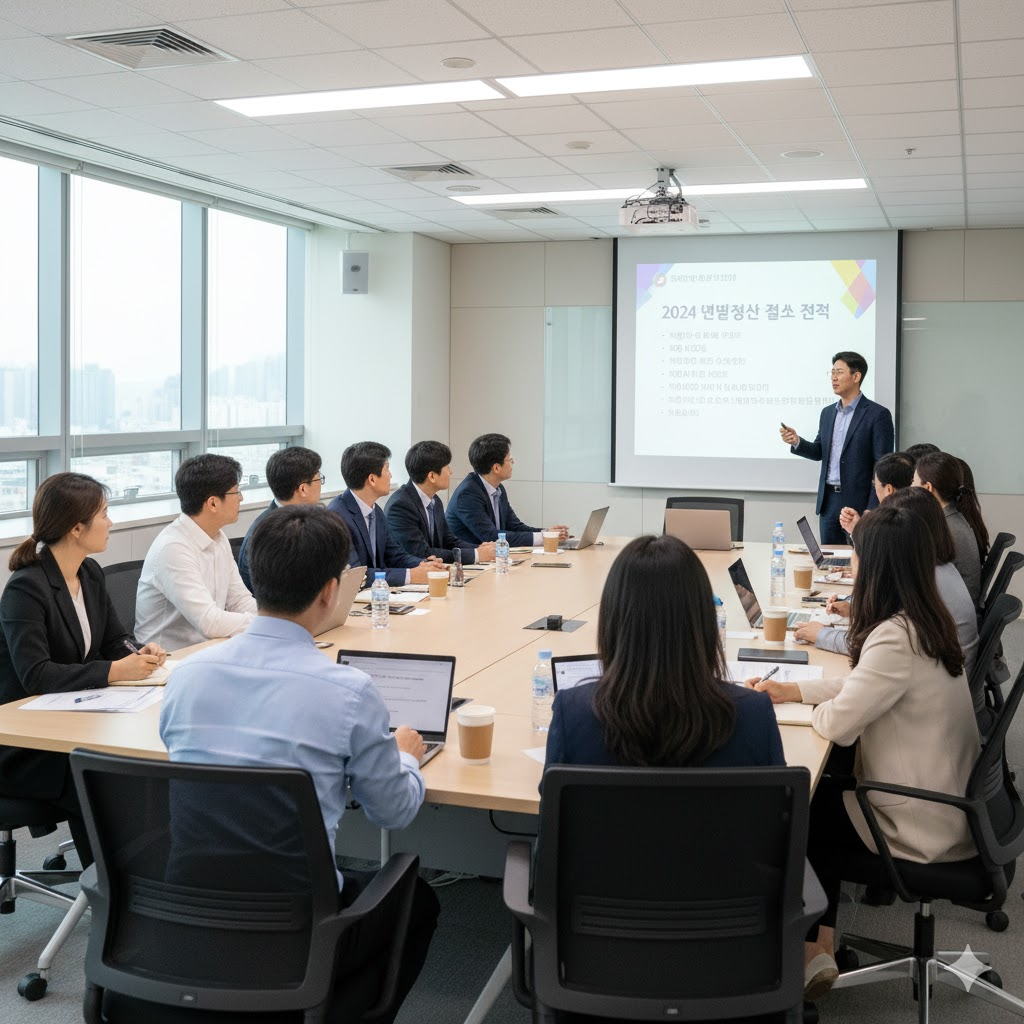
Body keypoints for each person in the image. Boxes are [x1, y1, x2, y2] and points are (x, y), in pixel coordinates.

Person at [160, 504, 438, 1023]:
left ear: (254, 578)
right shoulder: (349, 691)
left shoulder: (186, 678)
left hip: (187, 910)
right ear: (331, 591)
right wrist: (405, 758)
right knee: (416, 899)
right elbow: (393, 812)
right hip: (299, 928)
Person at [749, 505, 979, 1000]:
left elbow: (839, 724)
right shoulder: (921, 619)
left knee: (801, 808)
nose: (852, 568)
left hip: (922, 820)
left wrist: (796, 712)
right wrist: (793, 692)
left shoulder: (895, 637)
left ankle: (811, 950)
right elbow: (861, 683)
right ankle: (820, 946)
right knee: (825, 794)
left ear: (878, 566)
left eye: (856, 559)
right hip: (947, 798)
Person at [0, 473, 166, 869]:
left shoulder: (89, 573)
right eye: (104, 514)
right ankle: (114, 894)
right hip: (25, 744)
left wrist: (138, 653)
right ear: (77, 528)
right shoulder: (26, 589)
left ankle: (145, 879)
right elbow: (36, 676)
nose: (111, 522)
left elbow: (114, 639)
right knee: (104, 775)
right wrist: (114, 671)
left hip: (74, 719)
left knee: (136, 767)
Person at [545, 534, 784, 771]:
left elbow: (554, 803)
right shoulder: (754, 716)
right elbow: (779, 804)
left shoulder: (573, 715)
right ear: (703, 622)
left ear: (613, 622)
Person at [797, 486, 980, 677]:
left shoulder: (924, 579)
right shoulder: (934, 567)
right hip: (940, 675)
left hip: (932, 683)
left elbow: (876, 646)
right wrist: (854, 610)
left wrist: (821, 635)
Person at [135, 454, 256, 650]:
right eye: (236, 492)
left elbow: (239, 600)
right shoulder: (173, 548)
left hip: (210, 649)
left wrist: (278, 621)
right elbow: (209, 622)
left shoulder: (217, 536)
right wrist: (264, 624)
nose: (241, 498)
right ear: (213, 503)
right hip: (169, 661)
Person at [780, 351, 894, 544]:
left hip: (859, 503)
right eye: (832, 372)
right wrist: (797, 441)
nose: (833, 377)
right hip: (829, 502)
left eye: (839, 372)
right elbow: (819, 451)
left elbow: (882, 465)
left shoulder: (877, 415)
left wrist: (872, 507)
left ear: (856, 376)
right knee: (829, 562)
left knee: (859, 556)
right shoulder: (827, 413)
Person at [327, 441, 439, 587]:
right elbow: (355, 575)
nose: (391, 475)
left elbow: (395, 555)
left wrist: (425, 565)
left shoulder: (376, 511)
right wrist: (411, 575)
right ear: (372, 479)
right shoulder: (337, 516)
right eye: (387, 469)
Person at [446, 433, 568, 547]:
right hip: (470, 564)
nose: (513, 462)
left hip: (495, 559)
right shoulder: (467, 495)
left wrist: (547, 532)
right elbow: (491, 537)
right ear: (496, 468)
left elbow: (515, 527)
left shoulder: (498, 488)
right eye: (509, 459)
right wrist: (544, 537)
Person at [384, 441, 495, 564]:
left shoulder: (435, 500)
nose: (450, 472)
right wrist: (476, 555)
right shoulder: (400, 506)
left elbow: (449, 541)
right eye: (447, 467)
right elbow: (420, 552)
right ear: (432, 476)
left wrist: (479, 549)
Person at [237, 446, 324, 592]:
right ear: (303, 489)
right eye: (319, 479)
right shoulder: (267, 533)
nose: (321, 484)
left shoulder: (304, 521)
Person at [913, 451, 988, 604]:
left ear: (927, 487)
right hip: (957, 612)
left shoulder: (946, 530)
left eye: (913, 482)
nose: (910, 488)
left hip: (951, 621)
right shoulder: (954, 519)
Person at [837, 450, 914, 534]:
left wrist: (857, 530)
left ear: (889, 489)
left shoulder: (887, 523)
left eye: (875, 484)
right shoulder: (922, 511)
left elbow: (870, 547)